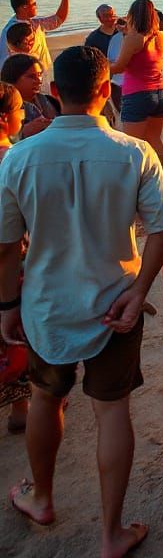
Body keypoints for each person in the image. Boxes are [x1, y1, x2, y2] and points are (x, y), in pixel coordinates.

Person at [0, 45, 163, 556]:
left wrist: (7, 305)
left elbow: (7, 247)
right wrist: (140, 291)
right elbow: (162, 231)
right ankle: (110, 532)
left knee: (47, 395)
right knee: (112, 409)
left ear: (53, 93)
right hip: (114, 300)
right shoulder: (133, 152)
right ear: (106, 91)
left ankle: (43, 496)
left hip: (47, 302)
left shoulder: (18, 157)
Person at [109, 0, 163, 165]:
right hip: (160, 93)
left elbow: (119, 67)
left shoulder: (133, 38)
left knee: (132, 144)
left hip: (138, 94)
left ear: (133, 16)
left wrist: (100, 67)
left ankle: (137, 181)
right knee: (154, 139)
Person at [0, 84, 28, 435]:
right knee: (17, 334)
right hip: (11, 259)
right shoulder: (13, 158)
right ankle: (21, 406)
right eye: (20, 109)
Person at [0, 0, 71, 80]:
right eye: (33, 4)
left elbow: (58, 19)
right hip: (28, 79)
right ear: (24, 7)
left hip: (44, 74)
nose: (36, 6)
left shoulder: (34, 22)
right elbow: (5, 60)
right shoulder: (11, 32)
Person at [0, 55, 59, 139]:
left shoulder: (52, 102)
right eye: (31, 76)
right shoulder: (4, 108)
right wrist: (22, 133)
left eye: (39, 74)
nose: (39, 80)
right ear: (12, 80)